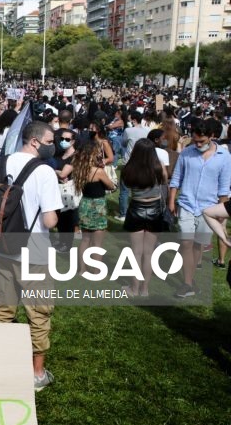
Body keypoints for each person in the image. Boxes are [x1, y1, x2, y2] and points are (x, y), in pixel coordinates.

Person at [0, 121, 62, 392]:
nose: (53, 144)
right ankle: (37, 374)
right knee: (39, 313)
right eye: (50, 140)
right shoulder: (44, 172)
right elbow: (50, 220)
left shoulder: (0, 163)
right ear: (34, 141)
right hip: (34, 251)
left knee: (3, 308)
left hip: (2, 245)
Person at [168, 120, 231, 298]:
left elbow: (224, 188)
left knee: (198, 245)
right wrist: (172, 200)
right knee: (186, 243)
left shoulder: (224, 157)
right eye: (195, 140)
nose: (197, 144)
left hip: (210, 208)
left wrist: (222, 213)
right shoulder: (187, 153)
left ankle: (190, 279)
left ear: (212, 136)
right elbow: (176, 179)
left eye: (201, 141)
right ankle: (187, 283)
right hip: (186, 204)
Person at [121, 139, 167, 297]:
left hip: (136, 208)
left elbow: (126, 185)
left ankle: (134, 288)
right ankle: (144, 289)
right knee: (149, 253)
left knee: (136, 252)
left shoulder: (130, 168)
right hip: (154, 209)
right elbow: (164, 181)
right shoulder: (158, 165)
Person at [73, 141, 117, 274]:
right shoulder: (98, 171)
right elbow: (111, 186)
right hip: (97, 205)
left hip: (84, 203)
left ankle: (82, 269)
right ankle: (96, 270)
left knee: (85, 240)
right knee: (97, 243)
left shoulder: (78, 169)